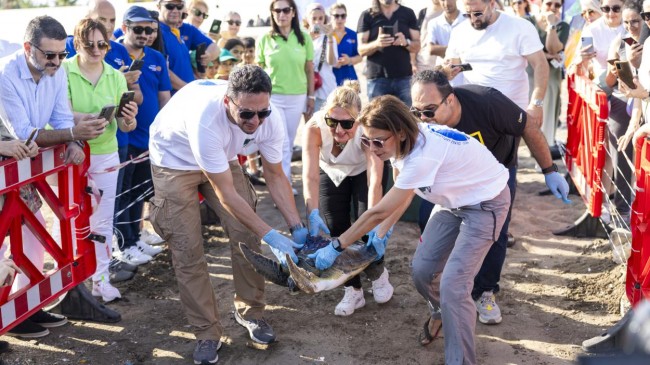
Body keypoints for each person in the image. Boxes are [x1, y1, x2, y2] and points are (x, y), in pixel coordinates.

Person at [308, 95, 511, 365]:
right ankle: (443, 313)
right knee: (422, 271)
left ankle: (460, 360)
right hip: (451, 202)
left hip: (486, 203)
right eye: (366, 141)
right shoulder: (404, 143)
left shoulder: (422, 155)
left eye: (378, 141)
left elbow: (379, 210)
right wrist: (382, 233)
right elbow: (405, 192)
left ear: (400, 134)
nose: (372, 148)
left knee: (453, 285)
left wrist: (336, 246)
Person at [148, 65, 309, 364]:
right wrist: (272, 234)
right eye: (247, 114)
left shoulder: (266, 119)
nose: (256, 121)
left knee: (245, 235)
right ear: (228, 102)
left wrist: (296, 226)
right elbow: (225, 193)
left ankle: (251, 312)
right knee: (188, 249)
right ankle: (207, 332)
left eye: (263, 113)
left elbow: (275, 175)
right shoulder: (207, 121)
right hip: (173, 159)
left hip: (220, 157)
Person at [411, 70, 570, 327]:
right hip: (450, 176)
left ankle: (485, 291)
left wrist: (549, 171)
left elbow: (527, 126)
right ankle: (445, 290)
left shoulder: (487, 103)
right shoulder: (423, 122)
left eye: (429, 111)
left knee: (496, 231)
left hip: (497, 173)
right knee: (426, 220)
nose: (422, 118)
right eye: (416, 112)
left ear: (450, 100)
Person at [0, 15, 103, 338]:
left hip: (18, 168)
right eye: (50, 55)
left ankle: (21, 305)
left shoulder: (55, 72)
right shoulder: (5, 74)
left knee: (34, 229)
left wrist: (71, 138)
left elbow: (58, 116)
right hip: (7, 162)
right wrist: (71, 132)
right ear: (28, 47)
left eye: (62, 54)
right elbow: (25, 133)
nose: (58, 61)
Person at [63, 18, 139, 302]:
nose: (97, 50)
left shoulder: (115, 75)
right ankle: (74, 281)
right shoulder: (63, 70)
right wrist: (84, 121)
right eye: (89, 44)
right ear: (77, 43)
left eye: (103, 44)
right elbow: (58, 114)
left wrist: (128, 117)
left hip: (106, 151)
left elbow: (126, 125)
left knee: (102, 220)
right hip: (69, 155)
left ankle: (101, 280)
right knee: (71, 219)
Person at [302, 81, 393, 316]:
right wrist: (311, 212)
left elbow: (375, 180)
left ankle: (378, 274)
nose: (339, 130)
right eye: (332, 122)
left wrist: (375, 221)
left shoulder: (367, 130)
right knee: (336, 229)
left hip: (362, 170)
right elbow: (310, 175)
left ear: (359, 120)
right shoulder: (314, 127)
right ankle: (353, 290)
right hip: (331, 171)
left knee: (365, 227)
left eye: (347, 124)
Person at [114, 6, 172, 268]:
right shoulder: (112, 51)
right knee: (122, 194)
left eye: (149, 30)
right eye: (138, 29)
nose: (145, 34)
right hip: (124, 139)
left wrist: (163, 135)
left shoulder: (157, 57)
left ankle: (135, 238)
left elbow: (164, 100)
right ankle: (123, 244)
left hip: (150, 140)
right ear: (125, 27)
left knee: (140, 193)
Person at [445, 0, 549, 129]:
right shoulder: (459, 31)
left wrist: (536, 104)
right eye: (467, 14)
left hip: (513, 111)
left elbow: (540, 64)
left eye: (477, 13)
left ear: (492, 4)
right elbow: (452, 65)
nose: (472, 19)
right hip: (475, 110)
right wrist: (446, 71)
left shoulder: (519, 26)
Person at [257, 0, 315, 193]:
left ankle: (284, 182)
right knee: (278, 142)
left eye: (286, 10)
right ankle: (283, 186)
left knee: (288, 142)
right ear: (272, 13)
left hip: (297, 96)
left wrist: (311, 96)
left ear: (293, 12)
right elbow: (259, 70)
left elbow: (309, 69)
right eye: (277, 10)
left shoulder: (304, 38)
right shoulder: (265, 38)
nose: (281, 14)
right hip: (272, 97)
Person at [357, 0, 421, 105]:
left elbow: (417, 46)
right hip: (377, 79)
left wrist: (406, 42)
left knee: (406, 119)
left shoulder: (408, 13)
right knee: (377, 119)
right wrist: (377, 43)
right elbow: (360, 50)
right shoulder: (367, 15)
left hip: (404, 78)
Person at [528, 0, 569, 159]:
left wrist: (551, 25)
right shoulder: (528, 23)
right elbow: (523, 50)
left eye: (557, 5)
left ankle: (542, 160)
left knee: (546, 119)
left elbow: (553, 48)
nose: (552, 8)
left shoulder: (562, 26)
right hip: (528, 76)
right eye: (549, 3)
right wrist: (544, 56)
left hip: (550, 79)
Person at [157, 0, 219, 91]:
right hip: (173, 98)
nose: (175, 10)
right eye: (169, 6)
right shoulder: (155, 32)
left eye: (179, 7)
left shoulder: (176, 31)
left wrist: (208, 55)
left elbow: (215, 47)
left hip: (186, 95)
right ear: (158, 6)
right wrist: (189, 89)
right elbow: (161, 70)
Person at [304, 3, 338, 113]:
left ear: (325, 18)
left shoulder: (329, 37)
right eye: (314, 18)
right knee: (309, 124)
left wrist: (330, 39)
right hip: (307, 87)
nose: (317, 22)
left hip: (326, 87)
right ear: (307, 19)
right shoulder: (303, 38)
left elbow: (332, 62)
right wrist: (309, 39)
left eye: (320, 18)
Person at [426, 0, 466, 86]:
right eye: (443, 0)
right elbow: (431, 49)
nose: (447, 3)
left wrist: (441, 49)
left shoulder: (467, 20)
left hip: (465, 76)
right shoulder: (433, 23)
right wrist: (459, 52)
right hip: (444, 77)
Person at [330, 3, 361, 85]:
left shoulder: (353, 34)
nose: (340, 19)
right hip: (330, 80)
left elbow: (360, 56)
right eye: (336, 16)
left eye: (343, 16)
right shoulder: (325, 35)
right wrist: (331, 62)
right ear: (331, 17)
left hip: (349, 79)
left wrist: (349, 60)